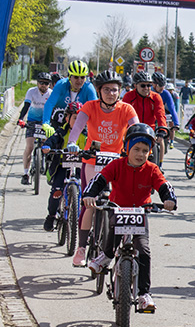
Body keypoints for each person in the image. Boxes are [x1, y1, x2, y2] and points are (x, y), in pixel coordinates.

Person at [82, 124, 177, 312]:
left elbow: (164, 185)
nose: (140, 154)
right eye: (136, 149)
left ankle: (144, 294)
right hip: (117, 209)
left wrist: (169, 200)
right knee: (112, 236)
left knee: (144, 251)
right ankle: (106, 257)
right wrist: (89, 194)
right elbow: (99, 180)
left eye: (145, 150)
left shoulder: (151, 169)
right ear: (127, 148)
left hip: (140, 213)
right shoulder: (116, 165)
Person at [66, 70, 139, 267]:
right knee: (90, 201)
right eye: (106, 89)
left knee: (122, 201)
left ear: (120, 91)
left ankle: (122, 243)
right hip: (92, 160)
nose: (111, 93)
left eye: (114, 90)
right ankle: (81, 248)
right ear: (99, 91)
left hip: (117, 161)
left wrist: (140, 147)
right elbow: (77, 128)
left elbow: (135, 131)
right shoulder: (90, 107)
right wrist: (72, 143)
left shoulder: (127, 109)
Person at [40, 102, 86, 231]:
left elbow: (95, 143)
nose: (79, 122)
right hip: (62, 166)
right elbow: (52, 139)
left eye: (82, 119)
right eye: (75, 118)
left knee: (88, 192)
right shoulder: (61, 132)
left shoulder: (87, 133)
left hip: (79, 167)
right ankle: (51, 216)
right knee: (57, 191)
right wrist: (47, 146)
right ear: (67, 119)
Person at [18, 72, 52, 185]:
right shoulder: (31, 91)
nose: (44, 85)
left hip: (45, 122)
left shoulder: (51, 94)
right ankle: (25, 173)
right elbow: (26, 106)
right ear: (37, 83)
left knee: (46, 146)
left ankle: (46, 166)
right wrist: (21, 119)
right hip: (32, 121)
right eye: (41, 83)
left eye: (46, 83)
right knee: (30, 146)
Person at [42, 60, 97, 125]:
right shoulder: (61, 85)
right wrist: (46, 123)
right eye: (76, 77)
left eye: (82, 77)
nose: (79, 81)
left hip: (79, 124)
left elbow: (95, 108)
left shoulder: (89, 88)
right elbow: (50, 104)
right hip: (59, 121)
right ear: (70, 77)